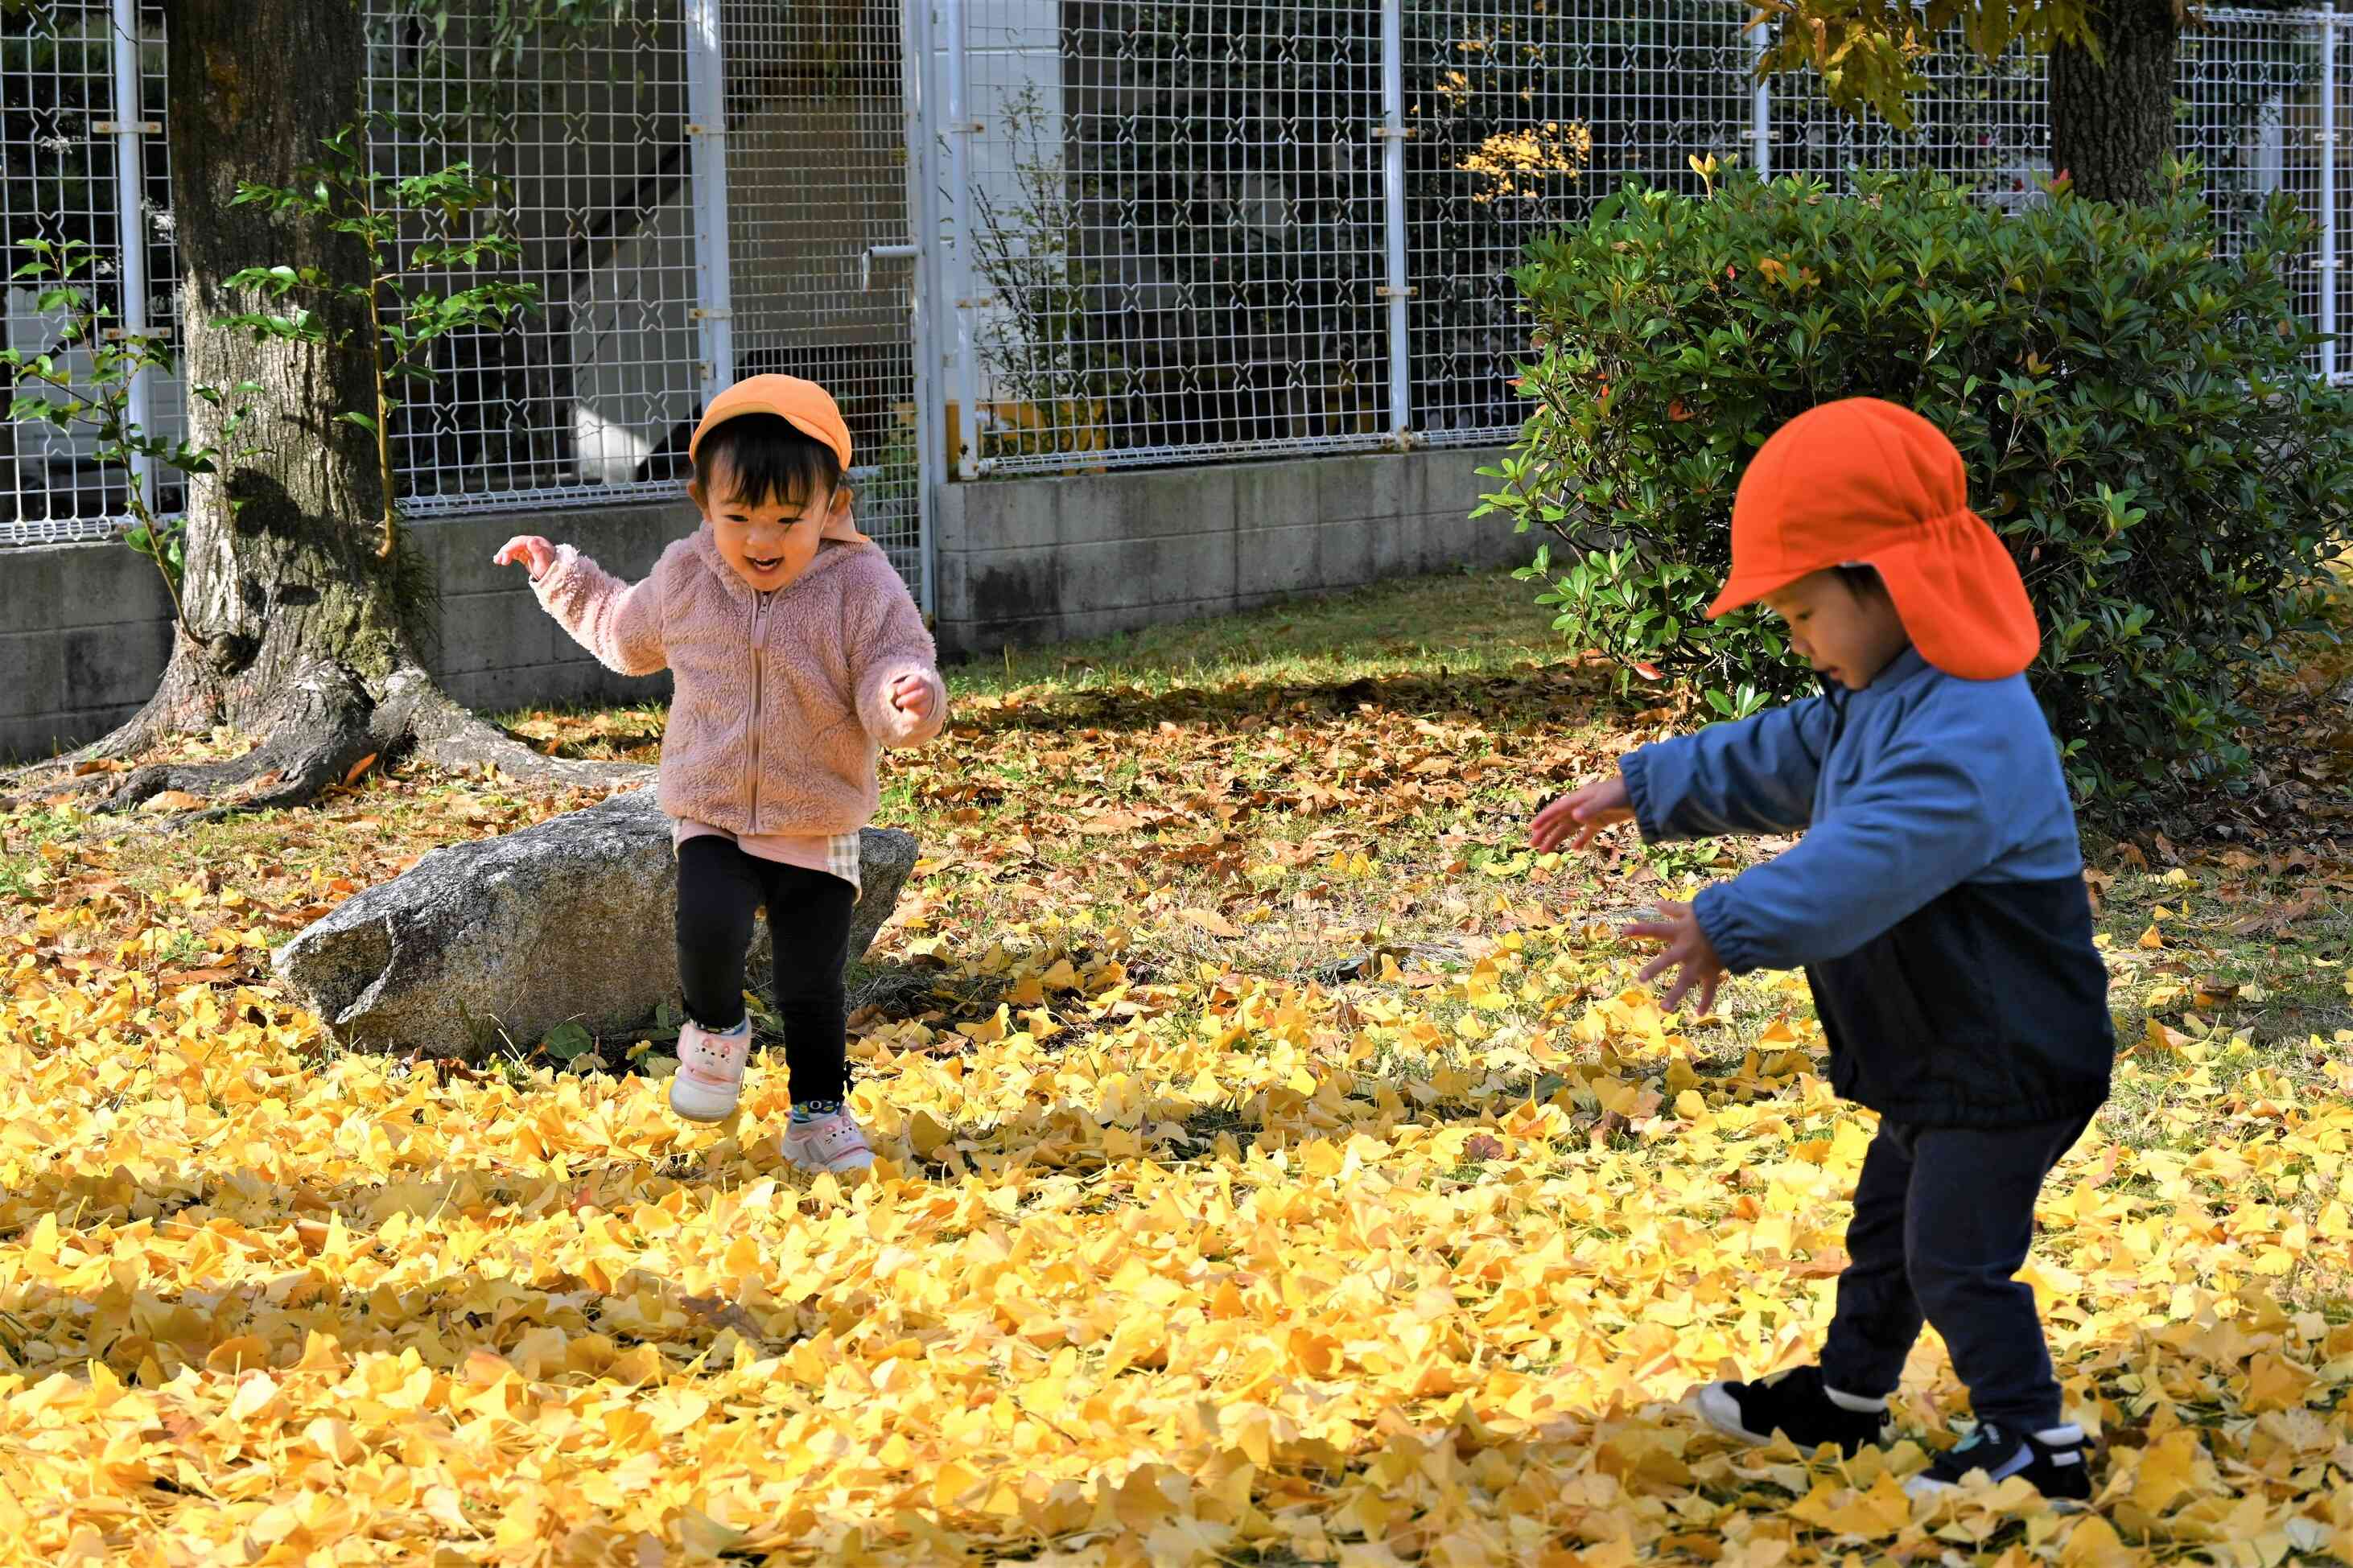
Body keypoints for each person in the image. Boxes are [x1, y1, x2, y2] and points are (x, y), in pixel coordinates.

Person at [1530, 397, 2112, 1503]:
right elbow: (1779, 750)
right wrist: (1641, 786)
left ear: (1887, 582)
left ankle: (2037, 1444)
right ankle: (1846, 1402)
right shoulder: (1886, 693)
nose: (1795, 637)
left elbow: (1866, 866)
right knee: (1889, 1233)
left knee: (1952, 1256)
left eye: (1803, 610)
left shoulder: (1968, 730)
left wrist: (1729, 920)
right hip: (1947, 1047)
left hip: (2007, 1055)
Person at [495, 375, 946, 1173]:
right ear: (702, 500)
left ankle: (817, 1111)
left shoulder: (860, 583)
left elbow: (892, 663)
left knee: (813, 984)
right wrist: (558, 574)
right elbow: (621, 631)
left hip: (817, 815)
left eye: (787, 519)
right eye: (738, 516)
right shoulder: (685, 575)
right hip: (711, 807)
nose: (762, 540)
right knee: (706, 927)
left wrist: (904, 700)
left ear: (832, 506)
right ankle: (714, 1031)